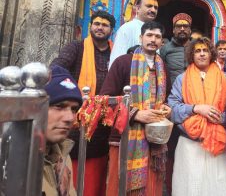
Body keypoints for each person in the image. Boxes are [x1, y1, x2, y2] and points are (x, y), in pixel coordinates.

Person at [100, 21, 171, 196]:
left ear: (162, 42)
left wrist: (167, 109)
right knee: (120, 187)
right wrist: (136, 114)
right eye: (149, 35)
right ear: (141, 38)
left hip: (155, 139)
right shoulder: (123, 63)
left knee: (152, 187)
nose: (153, 39)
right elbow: (104, 100)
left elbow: (166, 98)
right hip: (126, 137)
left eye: (157, 36)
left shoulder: (163, 67)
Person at [51, 10, 115, 196]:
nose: (100, 27)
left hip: (104, 120)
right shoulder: (77, 47)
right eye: (96, 23)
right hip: (78, 118)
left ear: (111, 29)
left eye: (105, 25)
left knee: (99, 166)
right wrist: (74, 97)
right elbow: (57, 68)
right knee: (75, 164)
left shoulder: (115, 50)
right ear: (90, 26)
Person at [168, 37, 226, 196]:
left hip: (217, 141)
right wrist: (196, 108)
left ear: (211, 54)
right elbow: (172, 109)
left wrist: (220, 118)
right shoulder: (181, 79)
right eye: (197, 51)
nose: (202, 54)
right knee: (189, 187)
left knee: (217, 186)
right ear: (191, 55)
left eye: (205, 50)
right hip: (189, 142)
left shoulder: (225, 79)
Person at [159, 12, 192, 195]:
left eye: (185, 26)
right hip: (171, 104)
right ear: (173, 29)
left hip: (194, 104)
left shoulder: (196, 47)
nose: (181, 29)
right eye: (178, 26)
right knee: (171, 148)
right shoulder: (166, 49)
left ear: (189, 29)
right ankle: (171, 188)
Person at [42, 65, 83, 196]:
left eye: (74, 109)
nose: (70, 117)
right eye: (59, 106)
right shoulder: (8, 159)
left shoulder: (62, 154)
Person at [109, 0, 158, 69]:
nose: (153, 10)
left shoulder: (156, 31)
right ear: (137, 8)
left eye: (155, 8)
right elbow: (116, 61)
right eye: (149, 6)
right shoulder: (127, 28)